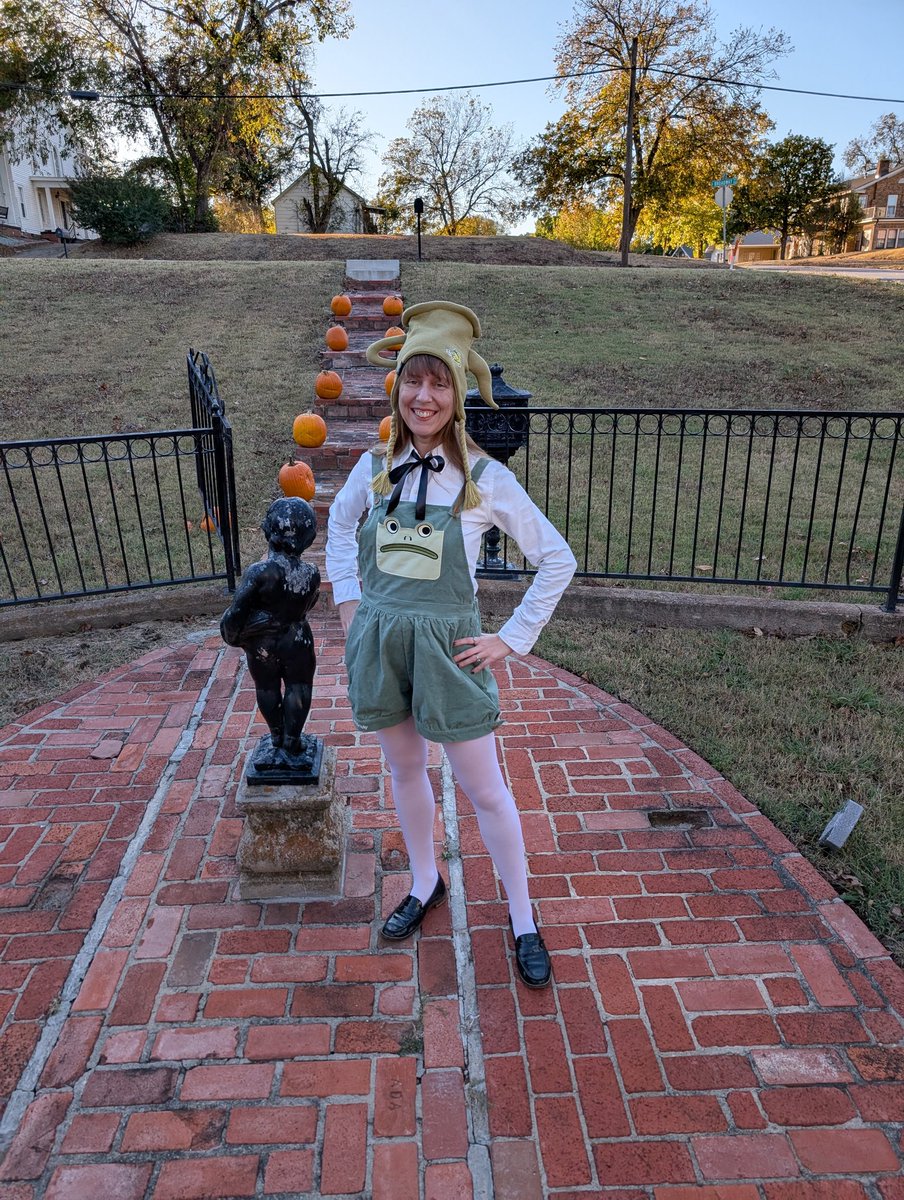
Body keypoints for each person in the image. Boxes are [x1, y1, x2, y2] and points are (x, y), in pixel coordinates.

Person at [325, 301, 576, 988]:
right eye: (414, 379)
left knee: (485, 790)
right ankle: (424, 879)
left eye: (439, 383)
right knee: (405, 770)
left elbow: (557, 559)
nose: (424, 396)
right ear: (398, 387)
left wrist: (511, 639)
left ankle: (521, 918)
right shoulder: (372, 469)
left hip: (450, 654)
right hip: (383, 647)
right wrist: (350, 607)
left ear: (457, 395)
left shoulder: (485, 480)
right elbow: (339, 531)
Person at [221, 497, 321, 777]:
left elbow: (237, 612)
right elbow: (309, 603)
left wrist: (233, 632)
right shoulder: (311, 573)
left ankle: (277, 737)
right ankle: (292, 740)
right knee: (299, 686)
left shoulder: (260, 572)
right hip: (298, 639)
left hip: (262, 644)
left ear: (268, 530)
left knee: (267, 688)